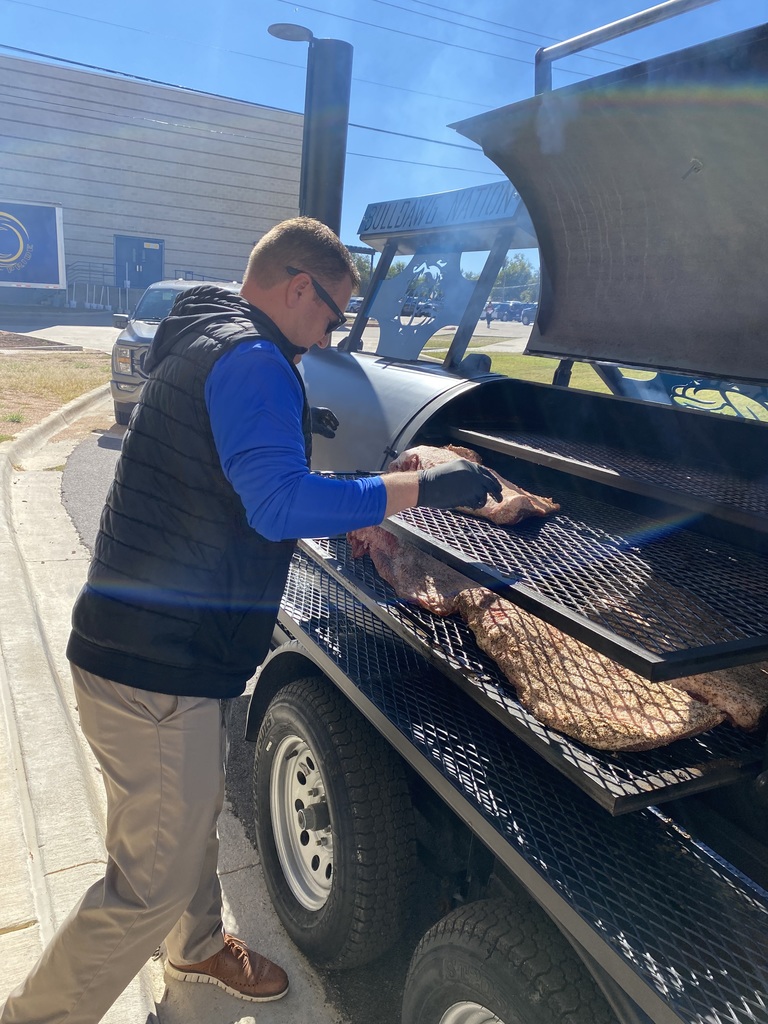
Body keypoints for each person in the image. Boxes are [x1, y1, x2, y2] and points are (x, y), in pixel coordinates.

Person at [0, 217, 501, 1024]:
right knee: (148, 881)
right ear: (299, 287)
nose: (333, 334)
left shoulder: (206, 331)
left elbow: (247, 475)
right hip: (152, 667)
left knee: (185, 815)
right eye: (335, 315)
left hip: (148, 645)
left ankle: (196, 949)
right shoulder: (252, 359)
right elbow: (279, 504)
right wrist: (420, 490)